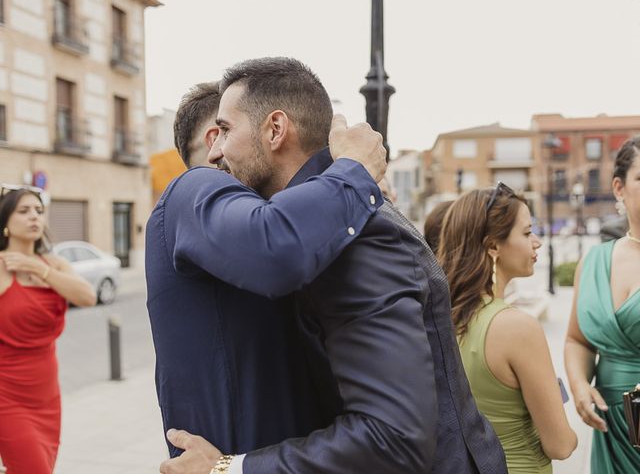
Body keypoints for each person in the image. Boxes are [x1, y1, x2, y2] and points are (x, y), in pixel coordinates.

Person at [160, 57, 506, 474]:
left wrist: (229, 468)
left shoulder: (358, 235)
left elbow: (392, 438)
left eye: (226, 130)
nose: (216, 150)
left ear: (275, 129)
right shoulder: (332, 221)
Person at [147, 73, 389, 463]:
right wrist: (355, 175)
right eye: (228, 127)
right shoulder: (193, 190)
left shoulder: (261, 212)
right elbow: (276, 248)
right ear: (215, 140)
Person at [438, 183, 577, 473]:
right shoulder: (516, 328)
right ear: (493, 246)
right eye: (527, 233)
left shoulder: (440, 320)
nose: (536, 241)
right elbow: (560, 445)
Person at [0, 185, 96, 474]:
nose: (34, 217)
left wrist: (38, 269)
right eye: (24, 211)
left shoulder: (54, 265)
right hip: (7, 395)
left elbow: (87, 297)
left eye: (39, 211)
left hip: (46, 395)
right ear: (5, 221)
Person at [564, 137, 640, 473]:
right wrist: (580, 386)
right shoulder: (594, 262)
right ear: (619, 188)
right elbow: (577, 340)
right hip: (613, 432)